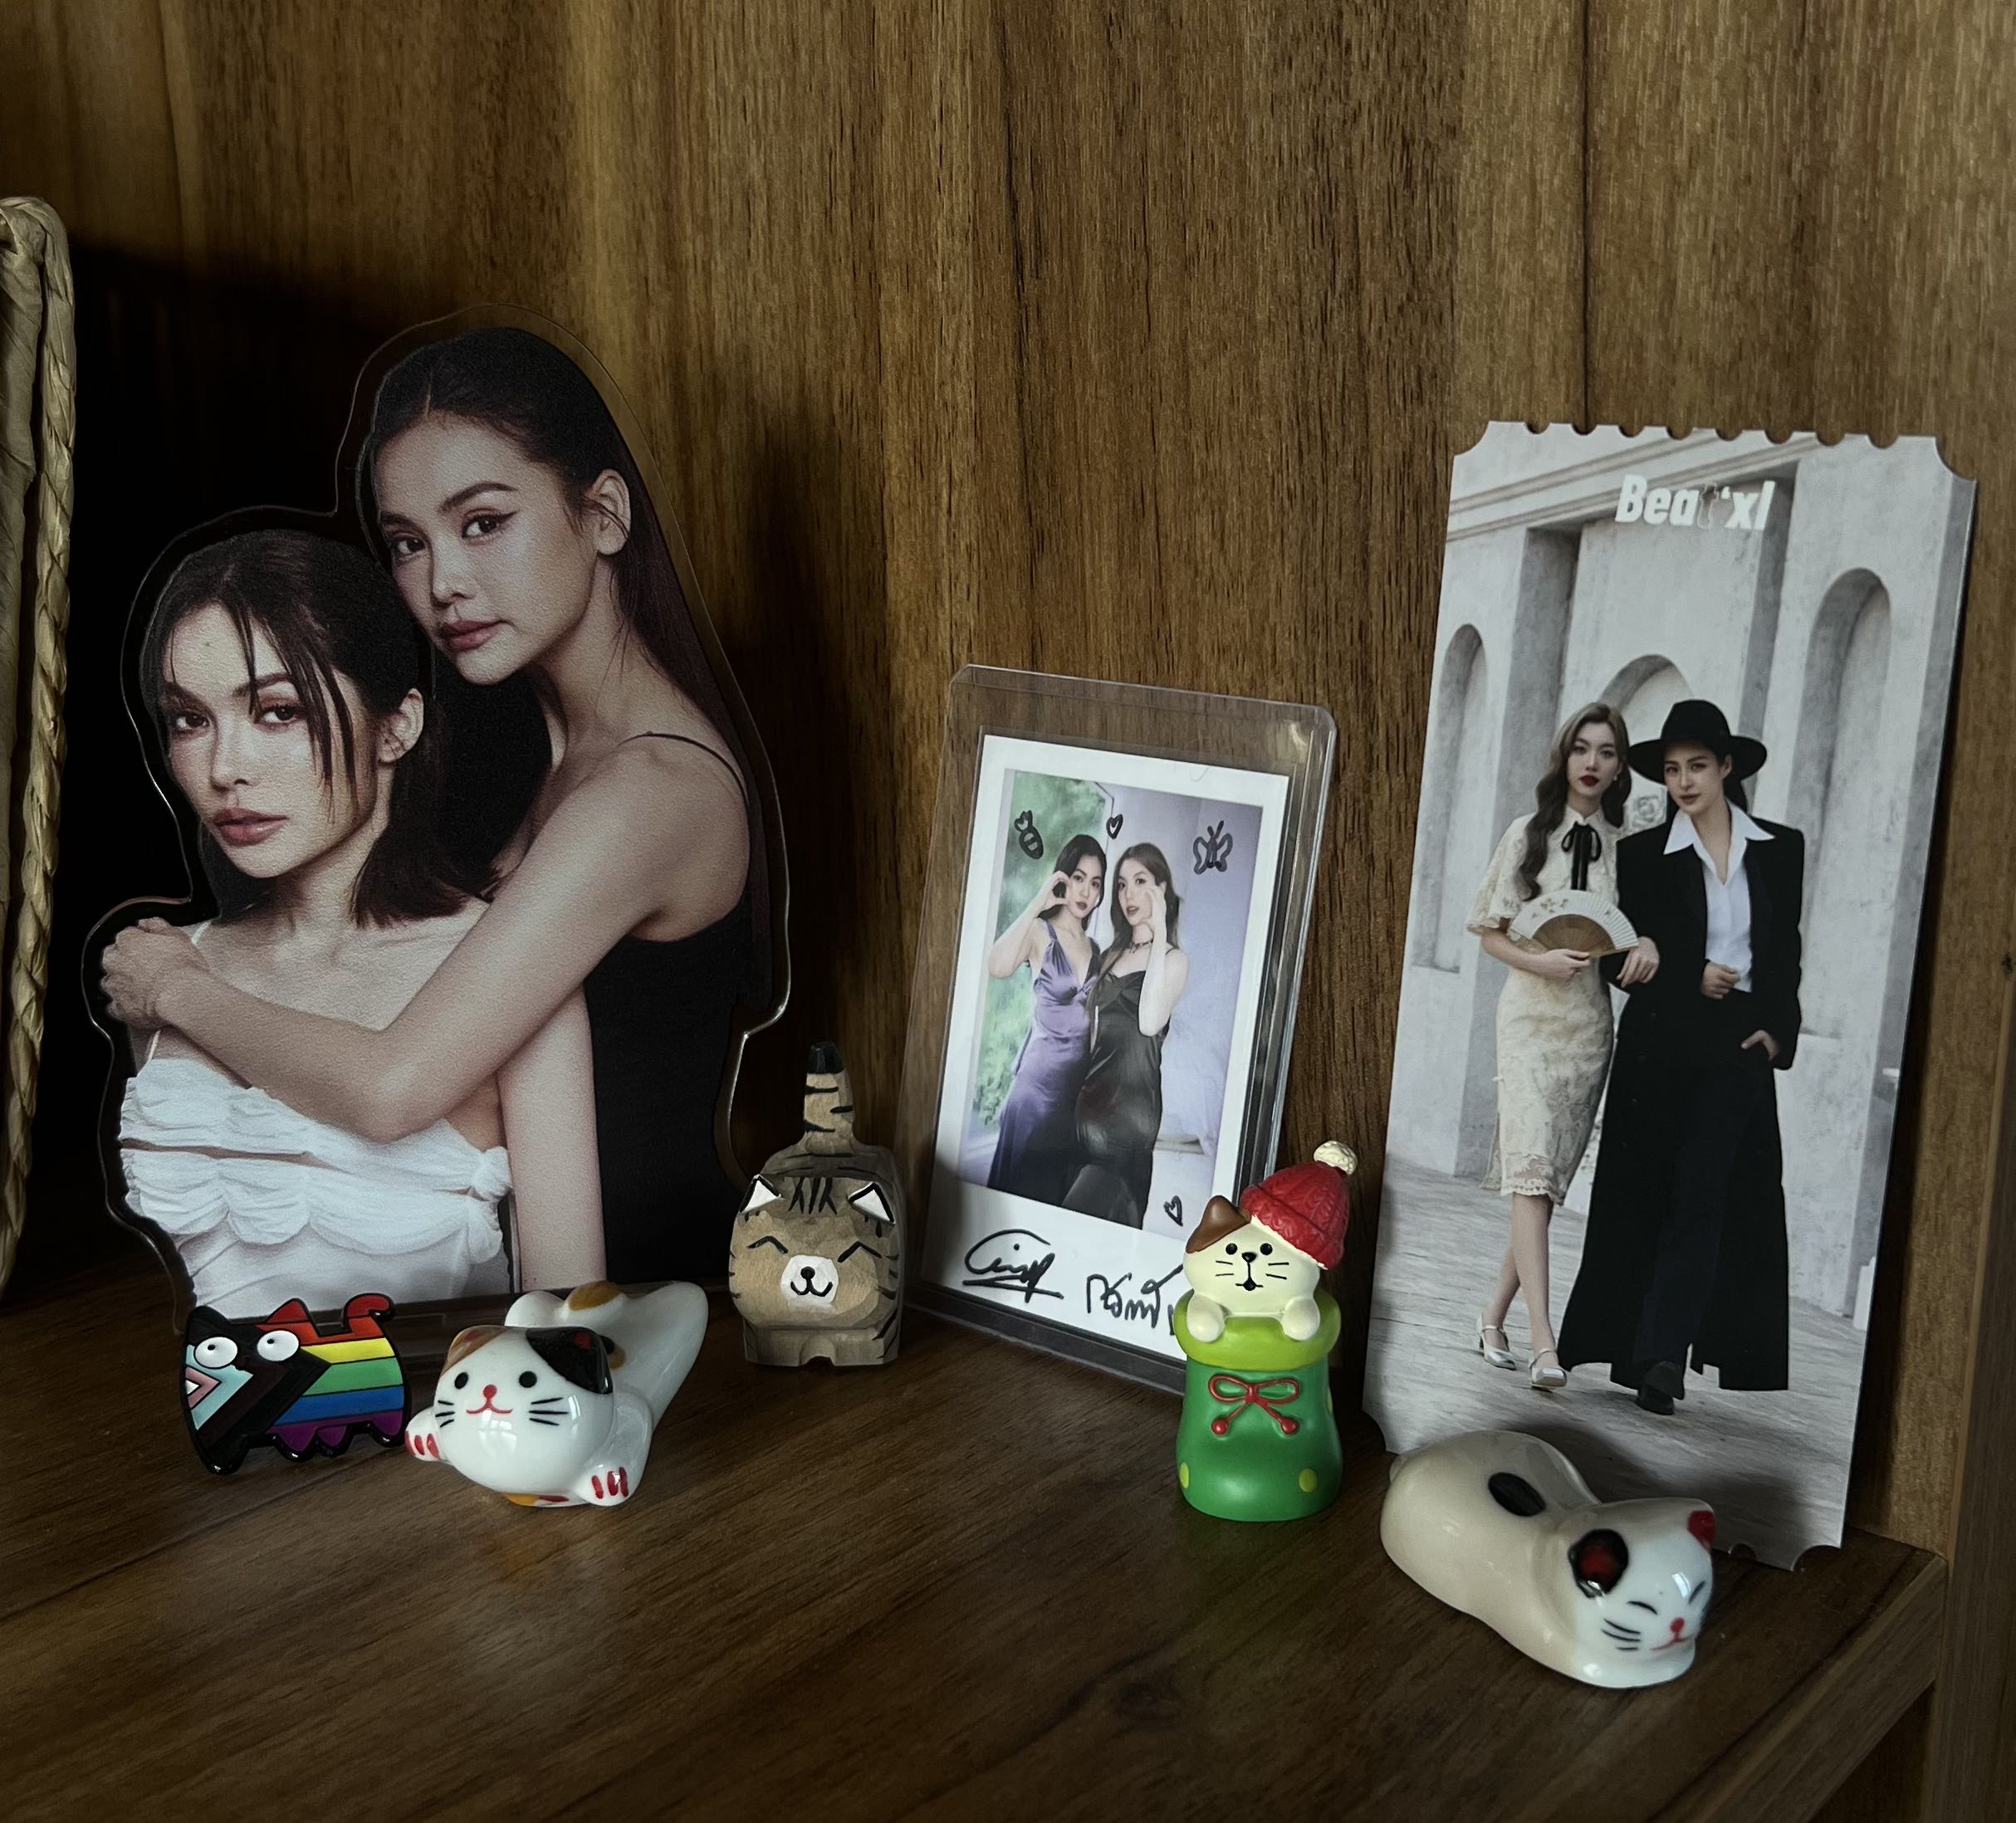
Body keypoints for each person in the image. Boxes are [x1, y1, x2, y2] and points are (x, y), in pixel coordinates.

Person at [104, 327, 781, 1283]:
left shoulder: (649, 794)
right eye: (408, 544)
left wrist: (176, 991)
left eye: (484, 523)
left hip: (641, 1304)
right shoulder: (541, 755)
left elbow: (396, 1088)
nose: (443, 584)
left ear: (603, 514)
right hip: (487, 1303)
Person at [115, 530, 604, 1317]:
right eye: (188, 721)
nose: (224, 769)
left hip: (433, 1396)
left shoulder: (502, 969)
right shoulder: (168, 962)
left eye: (278, 712)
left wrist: (178, 993)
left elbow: (568, 1314)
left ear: (396, 727)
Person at [1557, 700, 1805, 1415]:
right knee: (1651, 1194)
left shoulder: (1779, 848)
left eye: (1697, 766)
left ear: (1726, 768)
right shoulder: (1642, 857)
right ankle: (1640, 1351)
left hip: (1738, 1046)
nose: (1684, 782)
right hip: (1661, 1043)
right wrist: (1687, 972)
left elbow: (1785, 949)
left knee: (1707, 1196)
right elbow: (1613, 959)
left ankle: (1665, 1356)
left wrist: (1778, 1030)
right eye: (1671, 770)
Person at [1466, 705, 1658, 1389]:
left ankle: (1492, 1318)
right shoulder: (1528, 833)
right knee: (1530, 1171)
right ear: (1564, 756)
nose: (1592, 763)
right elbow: (1489, 932)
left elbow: (1642, 930)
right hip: (1528, 1020)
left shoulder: (1629, 847)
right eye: (1581, 748)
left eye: (1607, 752)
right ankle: (1544, 1343)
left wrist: (1648, 940)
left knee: (1543, 1187)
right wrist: (1537, 961)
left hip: (1588, 1028)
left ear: (1620, 765)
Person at [1063, 843, 1190, 1226]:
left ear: (1161, 889)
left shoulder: (1174, 960)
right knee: (1080, 1230)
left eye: (1140, 881)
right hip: (1088, 1110)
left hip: (1130, 1118)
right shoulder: (1109, 956)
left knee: (1082, 1216)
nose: (1128, 894)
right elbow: (1093, 1037)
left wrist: (1160, 930)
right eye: (1121, 885)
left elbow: (1149, 1023)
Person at [984, 834, 1105, 1204]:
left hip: (1071, 1101)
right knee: (1018, 1201)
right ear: (1063, 877)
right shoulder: (1041, 932)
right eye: (1078, 878)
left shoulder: (1096, 949)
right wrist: (1039, 901)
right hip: (1035, 1095)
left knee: (1052, 1201)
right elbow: (997, 966)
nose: (1085, 891)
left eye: (1095, 883)